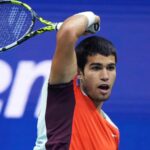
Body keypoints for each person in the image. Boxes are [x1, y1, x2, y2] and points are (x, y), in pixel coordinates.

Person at [34, 11, 120, 150]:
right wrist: (92, 17)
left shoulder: (113, 131)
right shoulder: (65, 97)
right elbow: (68, 31)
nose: (105, 75)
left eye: (110, 68)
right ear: (79, 72)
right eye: (96, 68)